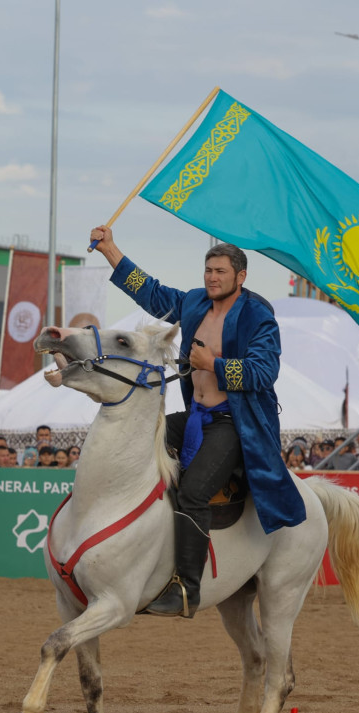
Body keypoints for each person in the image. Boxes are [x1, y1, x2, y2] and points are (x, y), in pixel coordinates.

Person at [91, 225, 304, 617]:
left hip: (235, 423)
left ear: (240, 277)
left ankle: (187, 588)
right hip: (195, 417)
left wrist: (215, 365)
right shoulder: (194, 303)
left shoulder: (258, 314)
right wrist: (110, 250)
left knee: (192, 492)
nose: (211, 277)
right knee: (137, 442)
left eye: (220, 271)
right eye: (208, 270)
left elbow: (264, 371)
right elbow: (151, 291)